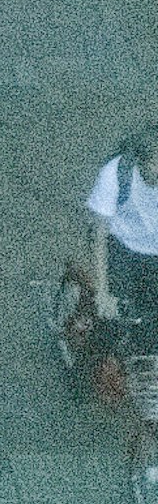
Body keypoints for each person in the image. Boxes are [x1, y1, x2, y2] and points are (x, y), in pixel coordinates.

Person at [84, 133, 158, 351]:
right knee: (113, 321)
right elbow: (98, 237)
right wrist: (102, 291)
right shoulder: (115, 175)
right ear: (143, 161)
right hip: (123, 247)